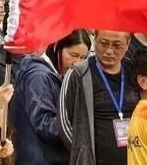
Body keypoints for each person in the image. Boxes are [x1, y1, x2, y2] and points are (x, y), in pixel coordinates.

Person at [59, 30, 141, 165]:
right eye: (104, 43)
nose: (109, 51)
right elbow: (64, 123)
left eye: (117, 45)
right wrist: (83, 153)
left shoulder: (135, 72)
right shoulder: (78, 74)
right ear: (95, 39)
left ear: (127, 45)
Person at [13, 29, 91, 164]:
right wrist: (82, 125)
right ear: (56, 47)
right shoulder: (38, 76)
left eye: (83, 58)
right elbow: (44, 123)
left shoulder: (56, 76)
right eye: (73, 55)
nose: (77, 63)